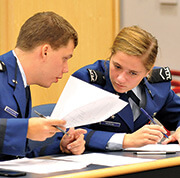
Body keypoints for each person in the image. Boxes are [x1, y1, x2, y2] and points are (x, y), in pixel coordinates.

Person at [72, 25, 180, 151]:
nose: (120, 78)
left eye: (133, 73)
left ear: (148, 71)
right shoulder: (87, 80)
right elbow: (70, 132)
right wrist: (125, 140)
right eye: (117, 66)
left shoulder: (157, 84)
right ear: (111, 56)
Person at [0, 11, 86, 161]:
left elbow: (15, 156)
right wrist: (24, 129)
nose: (66, 69)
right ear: (45, 51)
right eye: (64, 58)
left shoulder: (20, 80)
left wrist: (61, 147)